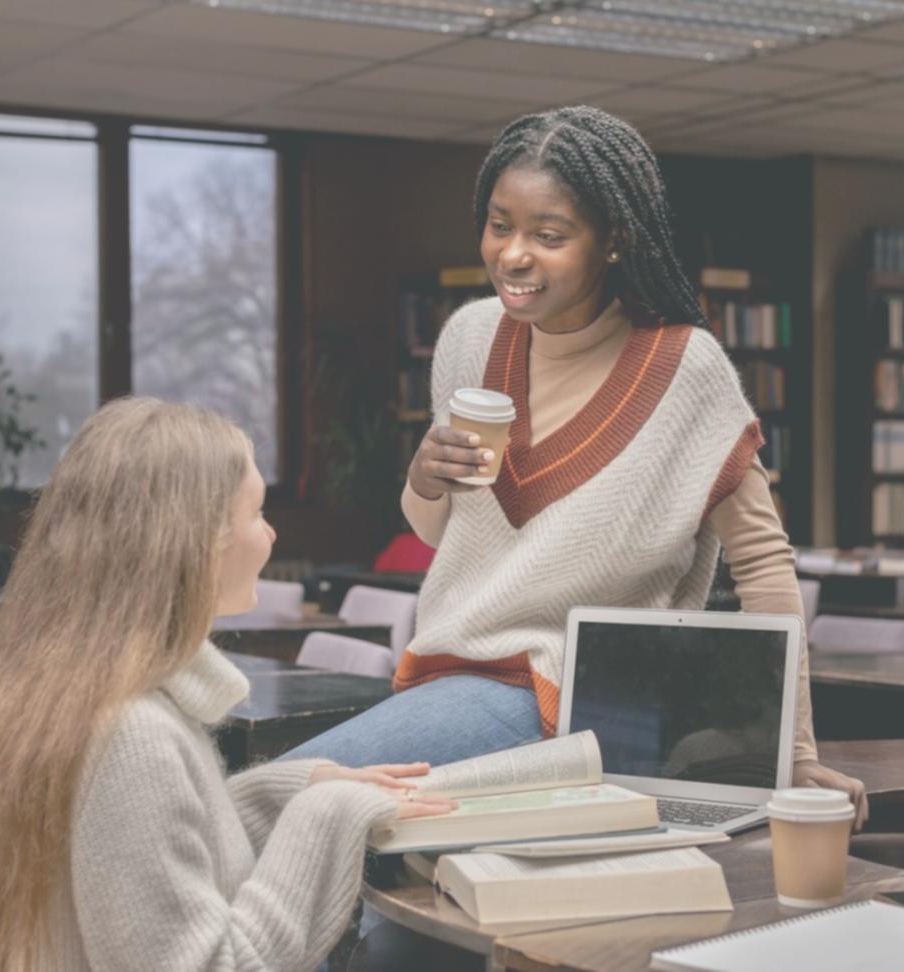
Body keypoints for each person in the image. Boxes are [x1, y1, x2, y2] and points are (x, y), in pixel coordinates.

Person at [287, 105, 867, 828]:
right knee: (351, 852)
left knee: (286, 795)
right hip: (447, 676)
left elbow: (763, 561)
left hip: (572, 699)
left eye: (549, 235)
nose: (513, 254)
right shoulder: (469, 338)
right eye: (500, 225)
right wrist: (424, 479)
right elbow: (444, 534)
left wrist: (796, 752)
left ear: (614, 242)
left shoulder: (686, 368)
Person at [0, 398, 453, 972]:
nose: (272, 533)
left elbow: (146, 851)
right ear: (198, 542)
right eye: (257, 513)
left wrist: (294, 789)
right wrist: (325, 815)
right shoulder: (135, 739)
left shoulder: (73, 687)